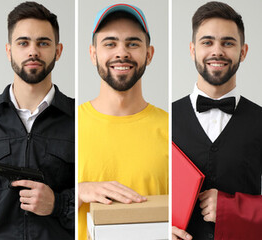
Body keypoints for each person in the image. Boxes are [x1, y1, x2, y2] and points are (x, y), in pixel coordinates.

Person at [77, 3, 168, 239]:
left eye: (133, 43)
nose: (121, 53)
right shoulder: (67, 125)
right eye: (110, 43)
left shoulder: (173, 130)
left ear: (149, 54)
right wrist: (78, 192)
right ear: (93, 53)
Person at [172, 2, 262, 239]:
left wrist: (231, 209)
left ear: (243, 52)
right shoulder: (163, 120)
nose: (217, 51)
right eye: (207, 42)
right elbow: (145, 195)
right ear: (192, 50)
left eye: (228, 43)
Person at [0, 2, 74, 239]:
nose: (33, 51)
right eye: (23, 43)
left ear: (58, 50)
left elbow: (97, 196)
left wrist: (58, 204)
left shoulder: (79, 119)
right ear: (8, 50)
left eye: (43, 43)